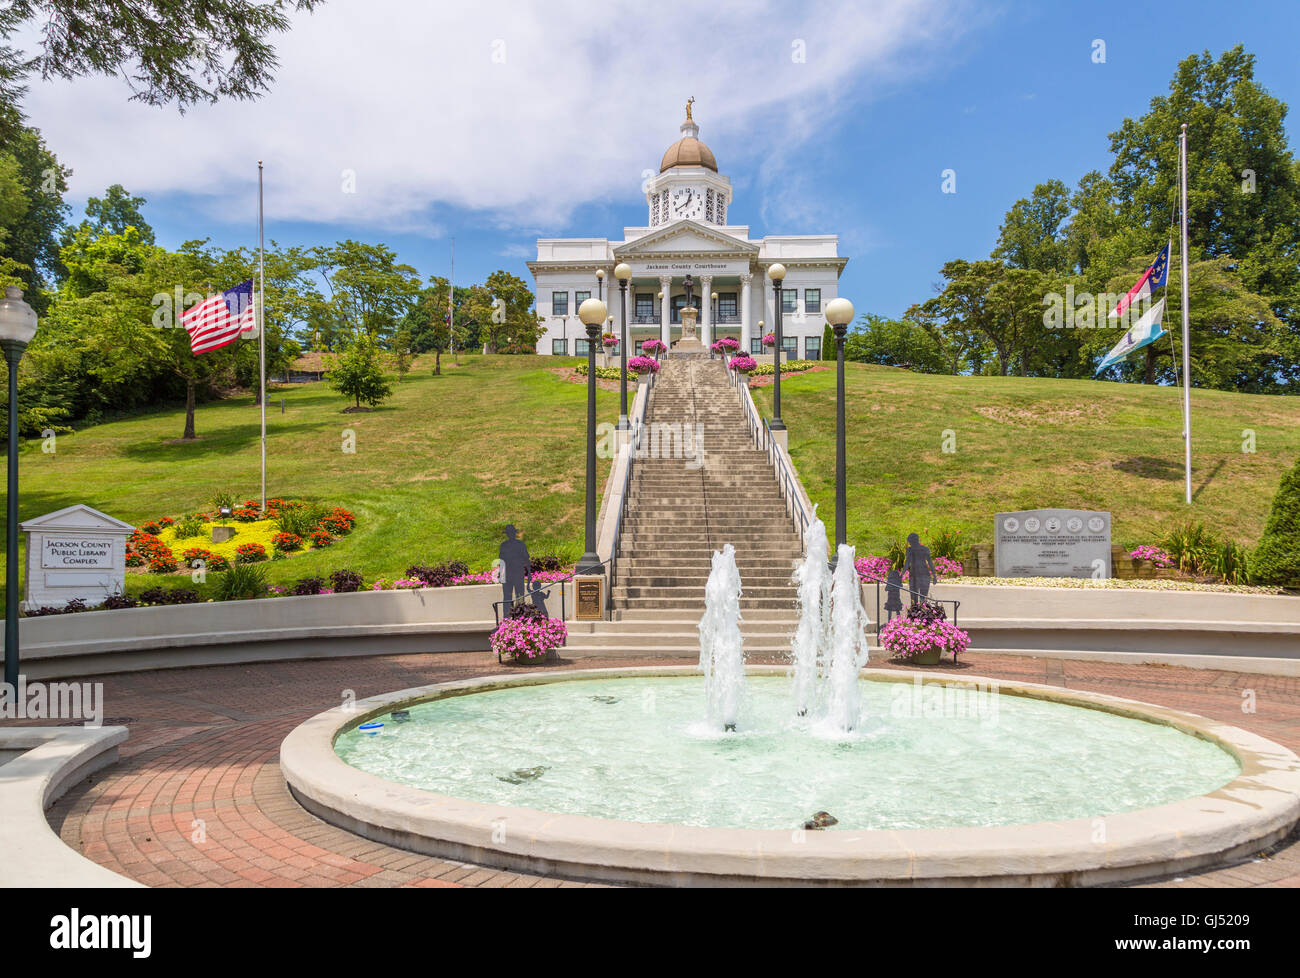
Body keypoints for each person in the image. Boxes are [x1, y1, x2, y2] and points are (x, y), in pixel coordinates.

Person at [498, 524, 530, 610]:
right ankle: (507, 616)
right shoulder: (503, 545)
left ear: (514, 533)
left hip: (518, 573)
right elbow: (502, 561)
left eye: (511, 532)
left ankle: (519, 615)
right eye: (509, 533)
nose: (510, 534)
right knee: (507, 597)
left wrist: (529, 573)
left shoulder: (520, 545)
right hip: (507, 574)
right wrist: (500, 574)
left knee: (519, 595)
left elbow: (526, 559)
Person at [903, 532, 936, 600]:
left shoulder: (924, 549)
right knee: (913, 598)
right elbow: (907, 563)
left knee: (922, 598)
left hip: (924, 575)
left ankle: (922, 610)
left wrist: (934, 575)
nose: (910, 544)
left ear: (915, 541)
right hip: (914, 576)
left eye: (910, 542)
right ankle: (915, 610)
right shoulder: (909, 550)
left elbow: (930, 562)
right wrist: (901, 575)